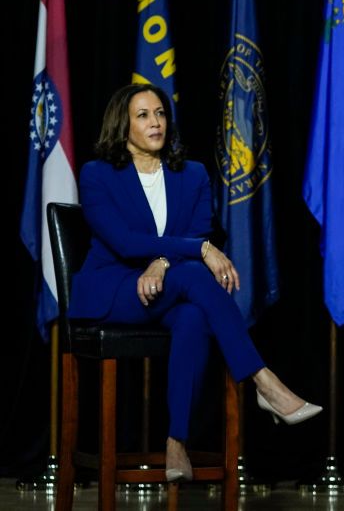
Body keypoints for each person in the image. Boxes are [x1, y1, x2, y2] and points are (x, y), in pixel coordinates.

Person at [69, 83, 322, 482]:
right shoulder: (97, 174)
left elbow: (197, 229)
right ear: (123, 125)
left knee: (192, 317)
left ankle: (176, 441)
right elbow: (123, 241)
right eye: (143, 115)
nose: (156, 122)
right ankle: (264, 381)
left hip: (168, 288)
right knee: (193, 272)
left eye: (160, 113)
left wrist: (165, 261)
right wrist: (198, 250)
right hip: (113, 289)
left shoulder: (193, 174)